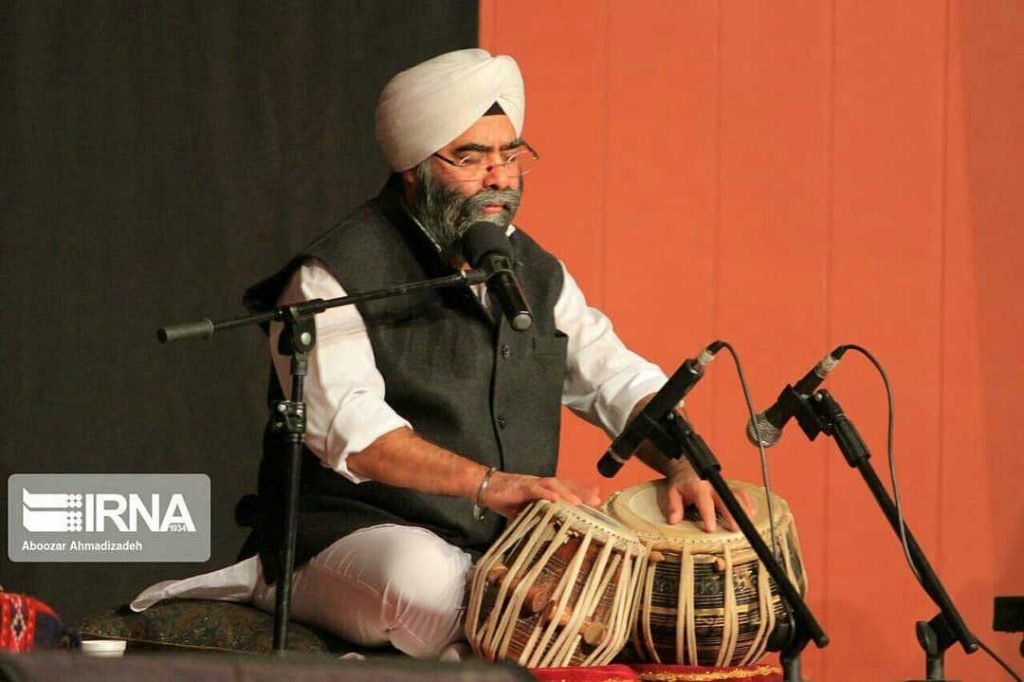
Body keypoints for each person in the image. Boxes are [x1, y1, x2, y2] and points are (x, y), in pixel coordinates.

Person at [132, 48, 752, 660]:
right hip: (345, 540)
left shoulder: (532, 271)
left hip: (493, 552)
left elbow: (613, 378)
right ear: (414, 166)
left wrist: (684, 464)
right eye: (471, 157)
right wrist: (490, 485)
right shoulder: (334, 273)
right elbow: (356, 434)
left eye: (510, 155)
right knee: (420, 576)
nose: (500, 178)